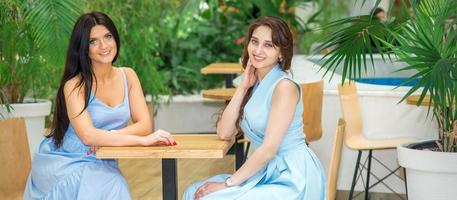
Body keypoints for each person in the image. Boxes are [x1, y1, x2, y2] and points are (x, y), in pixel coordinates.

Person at [23, 11, 176, 199]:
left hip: (102, 159)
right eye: (93, 41)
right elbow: (88, 136)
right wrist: (142, 141)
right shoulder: (74, 85)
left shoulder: (128, 76)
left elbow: (144, 125)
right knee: (113, 185)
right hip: (69, 161)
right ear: (83, 48)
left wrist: (110, 135)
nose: (103, 46)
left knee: (109, 183)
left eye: (108, 37)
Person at [183, 16, 326, 200]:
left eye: (268, 45)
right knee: (193, 191)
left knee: (210, 197)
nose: (258, 50)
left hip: (293, 177)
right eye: (254, 42)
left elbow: (268, 150)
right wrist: (243, 87)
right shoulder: (254, 83)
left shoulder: (284, 87)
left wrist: (226, 184)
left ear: (281, 53)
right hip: (265, 172)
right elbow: (225, 132)